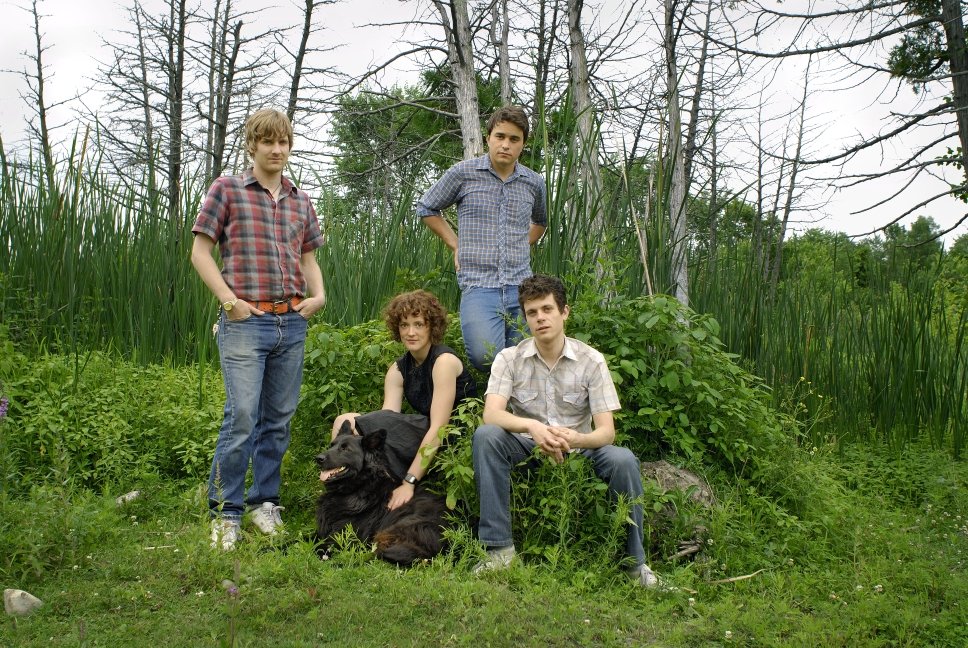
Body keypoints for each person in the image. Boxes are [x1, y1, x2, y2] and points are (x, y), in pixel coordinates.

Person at [191, 108, 326, 550]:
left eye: (283, 142)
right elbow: (200, 253)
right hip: (246, 323)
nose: (276, 149)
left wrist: (319, 295)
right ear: (252, 145)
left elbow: (308, 257)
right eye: (268, 141)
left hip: (292, 322)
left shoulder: (300, 200)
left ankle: (264, 503)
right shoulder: (227, 190)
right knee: (242, 417)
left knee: (279, 420)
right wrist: (229, 303)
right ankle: (225, 512)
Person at [471, 274, 660, 588]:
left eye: (547, 309)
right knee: (486, 436)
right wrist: (533, 426)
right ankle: (499, 552)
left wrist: (577, 439)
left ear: (564, 312)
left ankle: (634, 565)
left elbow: (606, 433)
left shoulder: (591, 361)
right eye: (532, 312)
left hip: (579, 448)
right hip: (527, 446)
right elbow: (491, 414)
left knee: (623, 459)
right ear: (526, 318)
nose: (540, 318)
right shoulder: (510, 358)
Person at [417, 105, 547, 372]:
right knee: (484, 356)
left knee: (524, 359)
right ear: (488, 138)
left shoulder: (533, 182)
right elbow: (427, 207)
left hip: (521, 286)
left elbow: (540, 222)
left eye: (514, 139)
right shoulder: (463, 173)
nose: (506, 145)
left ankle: (508, 399)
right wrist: (455, 243)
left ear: (523, 144)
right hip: (478, 284)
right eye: (500, 136)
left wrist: (520, 245)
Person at [330, 290, 477, 510]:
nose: (411, 332)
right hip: (426, 431)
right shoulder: (398, 370)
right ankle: (346, 488)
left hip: (457, 438)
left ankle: (381, 488)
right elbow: (387, 420)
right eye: (404, 325)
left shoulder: (443, 362)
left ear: (432, 327)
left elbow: (440, 428)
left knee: (362, 423)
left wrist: (409, 482)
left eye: (419, 324)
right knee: (345, 420)